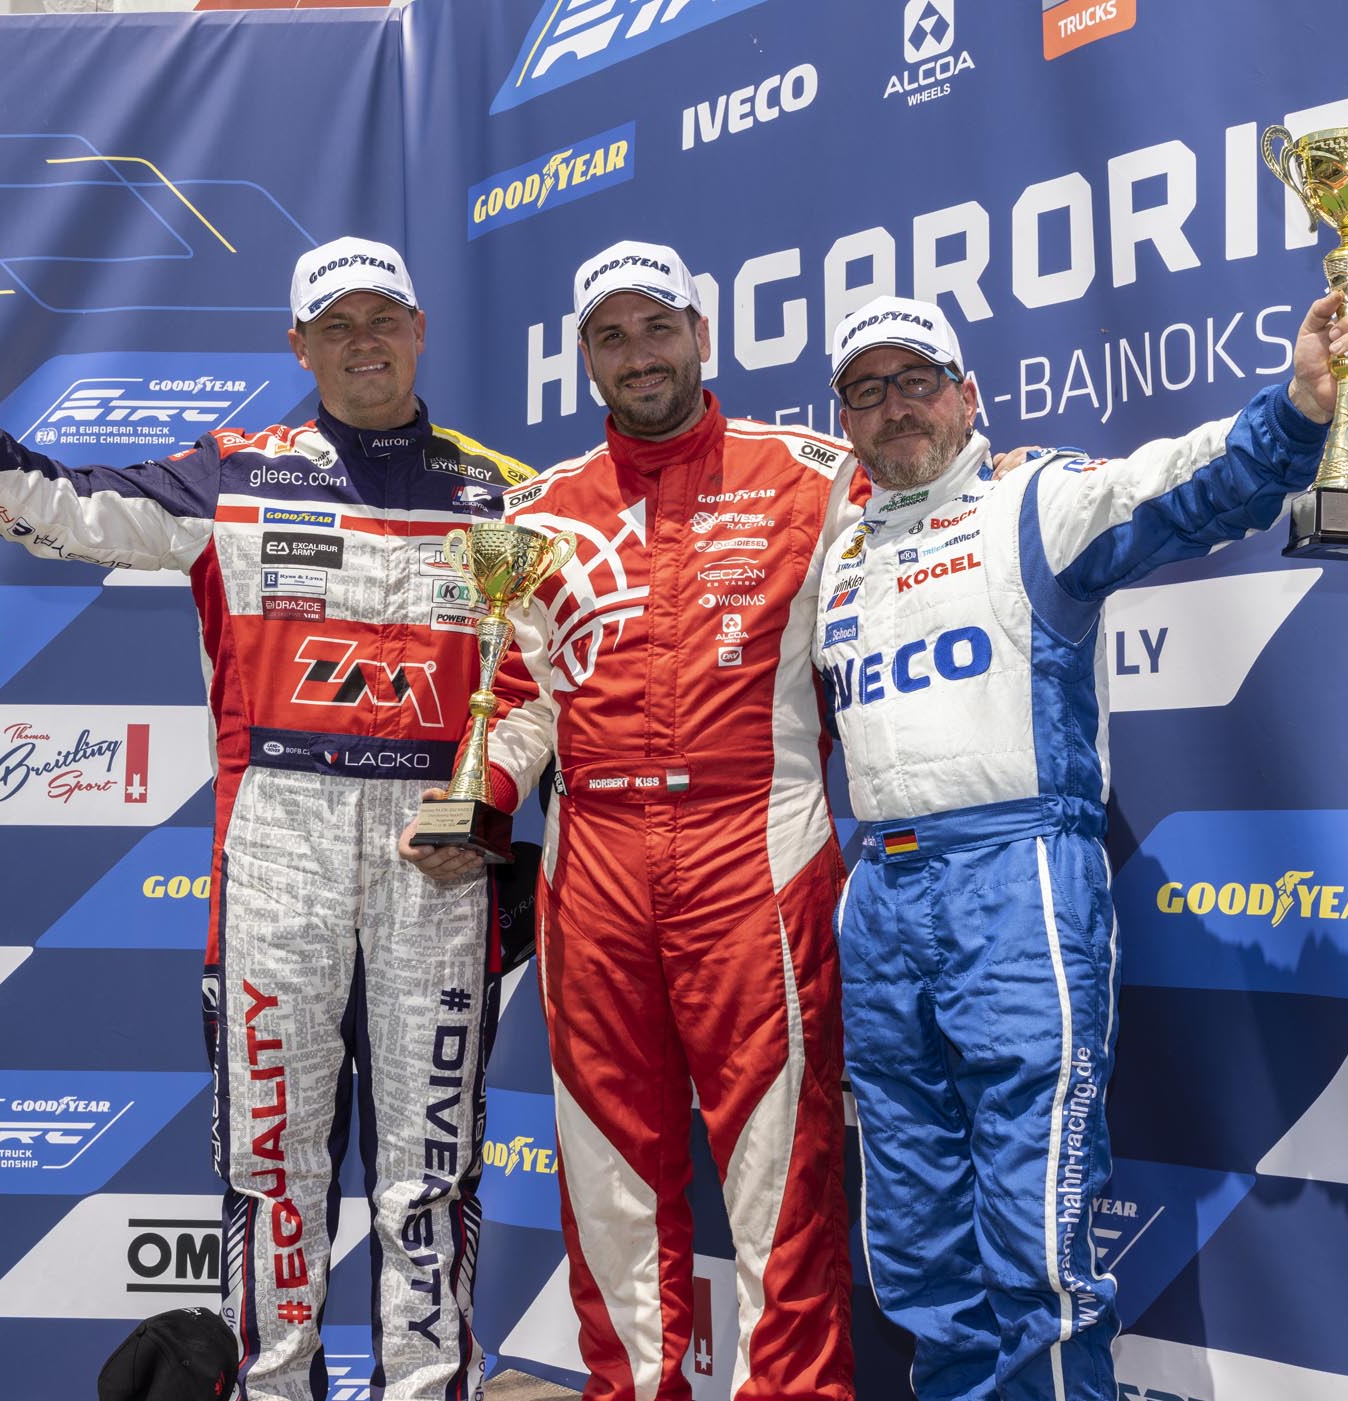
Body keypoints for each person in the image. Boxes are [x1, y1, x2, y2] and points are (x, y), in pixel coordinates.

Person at [0, 236, 531, 1401]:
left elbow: (544, 682)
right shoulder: (234, 475)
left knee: (431, 1170)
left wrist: (496, 797)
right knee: (273, 1167)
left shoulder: (505, 495)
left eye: (383, 318)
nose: (363, 341)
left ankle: (431, 1391)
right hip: (277, 848)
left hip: (437, 861)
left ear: (421, 330)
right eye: (335, 324)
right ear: (299, 346)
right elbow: (59, 510)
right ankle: (271, 1389)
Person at [817, 287, 1348, 1401]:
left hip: (1017, 880)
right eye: (868, 390)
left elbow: (1178, 487)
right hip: (880, 893)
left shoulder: (1034, 499)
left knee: (1035, 1232)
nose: (896, 407)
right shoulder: (836, 554)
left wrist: (1297, 411)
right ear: (845, 420)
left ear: (967, 395)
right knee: (916, 1240)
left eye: (917, 380)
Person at [406, 240, 857, 1400]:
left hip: (755, 846)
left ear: (702, 334)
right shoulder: (537, 514)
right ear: (585, 357)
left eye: (657, 327)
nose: (638, 353)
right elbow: (518, 697)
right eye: (611, 336)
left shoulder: (815, 476)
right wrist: (481, 799)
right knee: (610, 1176)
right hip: (596, 858)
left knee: (782, 1171)